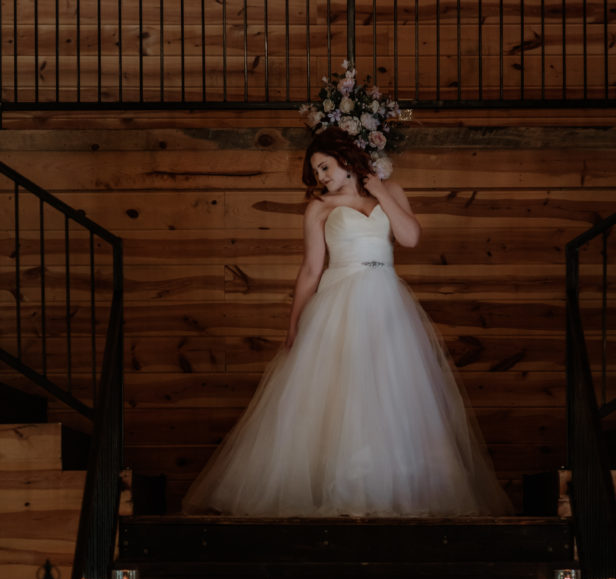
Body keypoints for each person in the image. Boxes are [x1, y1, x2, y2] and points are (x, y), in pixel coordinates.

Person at [182, 128, 511, 517]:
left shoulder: (392, 193)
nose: (321, 176)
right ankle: (339, 486)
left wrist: (383, 193)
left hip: (387, 301)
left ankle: (391, 487)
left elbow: (410, 239)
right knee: (340, 391)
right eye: (316, 171)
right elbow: (309, 269)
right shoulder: (319, 207)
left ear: (346, 160)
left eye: (325, 166)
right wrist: (293, 324)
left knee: (392, 391)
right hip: (339, 299)